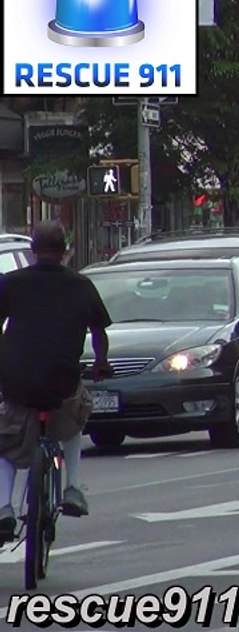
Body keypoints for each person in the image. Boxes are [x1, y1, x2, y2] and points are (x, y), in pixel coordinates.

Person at [0, 221, 111, 539]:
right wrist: (101, 364)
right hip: (63, 379)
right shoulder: (80, 285)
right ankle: (73, 487)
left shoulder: (11, 283)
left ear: (32, 251)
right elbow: (99, 332)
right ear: (65, 251)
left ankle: (4, 509)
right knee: (75, 421)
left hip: (16, 378)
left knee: (6, 441)